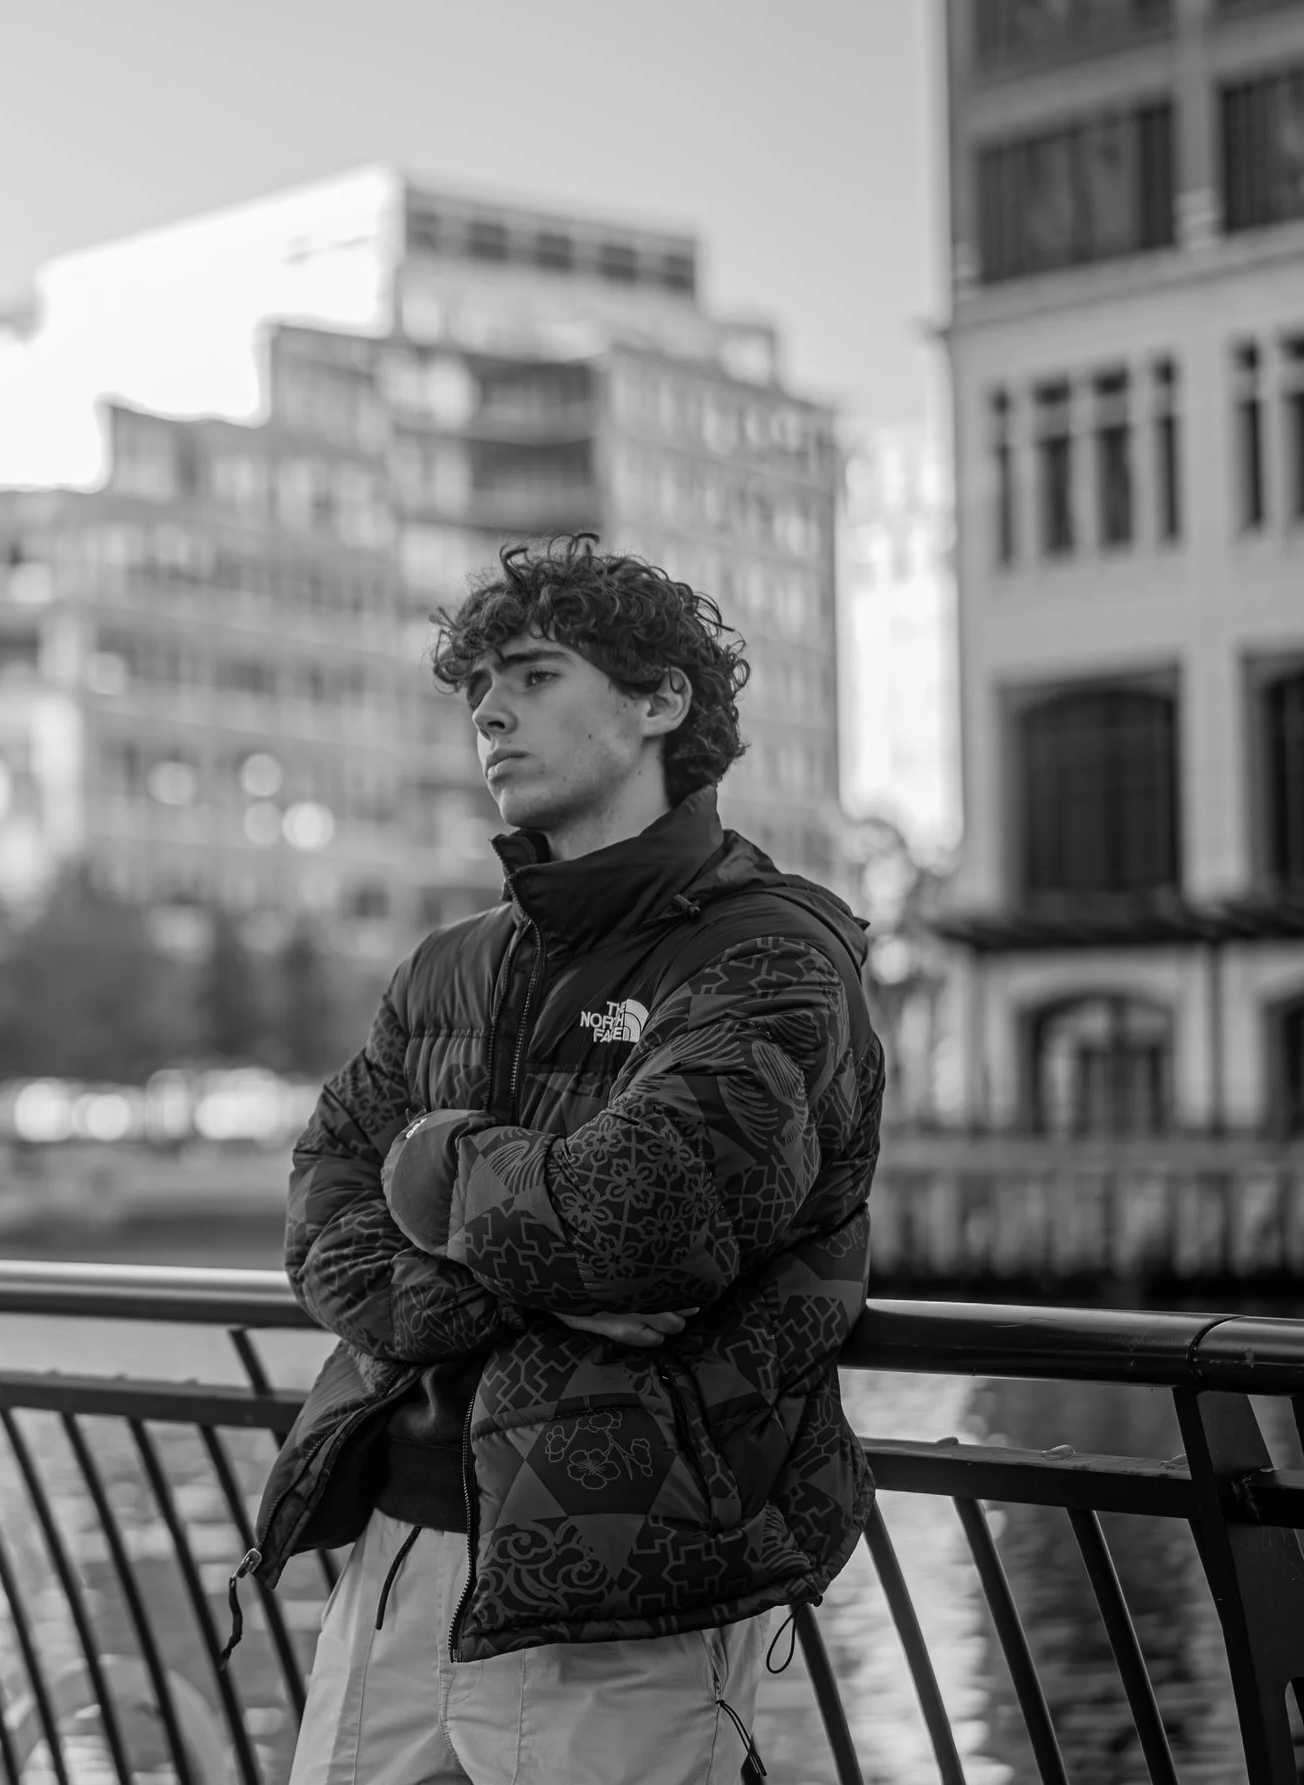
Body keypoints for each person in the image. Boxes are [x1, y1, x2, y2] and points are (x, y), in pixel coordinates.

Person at [246, 535, 883, 1785]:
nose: (488, 710)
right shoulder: (446, 965)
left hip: (628, 1566)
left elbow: (640, 1220)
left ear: (659, 702)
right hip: (400, 1547)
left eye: (533, 675)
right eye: (478, 687)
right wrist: (519, 1263)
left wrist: (431, 1164)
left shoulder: (769, 954)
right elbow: (320, 1215)